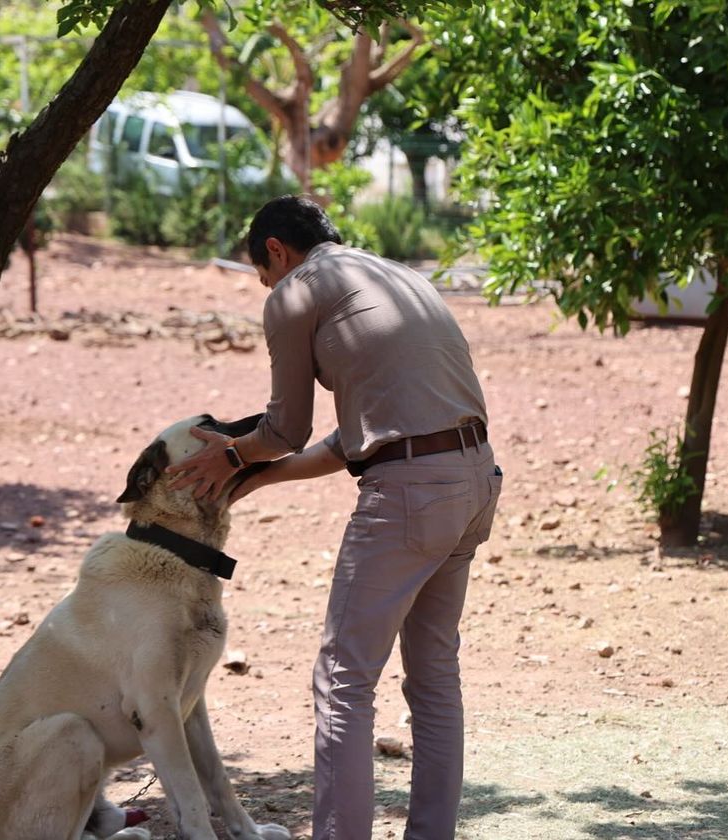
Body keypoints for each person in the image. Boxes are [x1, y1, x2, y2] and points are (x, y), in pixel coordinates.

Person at [168, 195, 502, 840]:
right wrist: (253, 477)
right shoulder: (397, 277)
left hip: (409, 492)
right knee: (434, 677)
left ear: (275, 250)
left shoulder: (297, 289)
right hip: (473, 479)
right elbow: (359, 438)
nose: (270, 290)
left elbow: (286, 428)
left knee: (343, 680)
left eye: (265, 276)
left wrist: (233, 455)